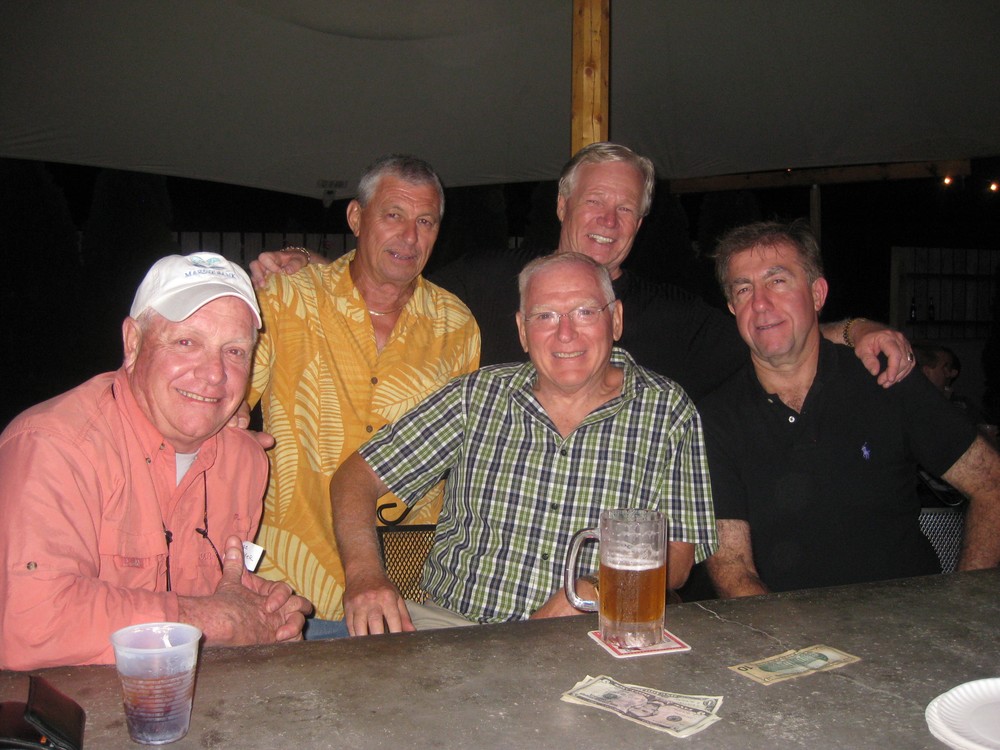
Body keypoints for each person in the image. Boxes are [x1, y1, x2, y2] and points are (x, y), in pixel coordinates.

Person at [251, 143, 915, 402]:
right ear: (563, 206)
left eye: (625, 208)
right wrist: (315, 268)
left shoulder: (675, 318)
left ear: (640, 223)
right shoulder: (486, 280)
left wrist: (854, 329)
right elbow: (394, 281)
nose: (607, 219)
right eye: (594, 200)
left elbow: (771, 337)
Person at [329, 252, 717, 635]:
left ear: (615, 319)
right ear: (521, 330)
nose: (565, 333)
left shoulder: (668, 410)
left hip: (589, 635)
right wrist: (365, 575)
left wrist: (592, 588)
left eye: (584, 312)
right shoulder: (476, 397)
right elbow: (356, 477)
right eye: (545, 316)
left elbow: (677, 559)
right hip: (454, 630)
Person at [0, 253, 312, 670]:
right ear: (133, 343)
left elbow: (206, 584)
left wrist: (266, 608)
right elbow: (30, 622)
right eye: (186, 343)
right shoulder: (54, 447)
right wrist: (217, 621)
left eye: (234, 351)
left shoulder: (245, 461)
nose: (214, 373)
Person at [700, 221, 1000, 598]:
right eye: (744, 289)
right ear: (732, 308)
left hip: (908, 620)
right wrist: (787, 634)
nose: (760, 303)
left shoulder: (885, 377)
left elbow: (992, 484)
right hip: (789, 625)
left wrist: (964, 602)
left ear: (817, 294)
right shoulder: (716, 419)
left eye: (777, 281)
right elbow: (733, 568)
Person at [249, 154, 480, 638]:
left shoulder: (456, 325)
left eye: (425, 222)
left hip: (405, 596)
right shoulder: (287, 298)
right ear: (356, 217)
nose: (410, 236)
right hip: (288, 590)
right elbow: (221, 414)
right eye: (393, 215)